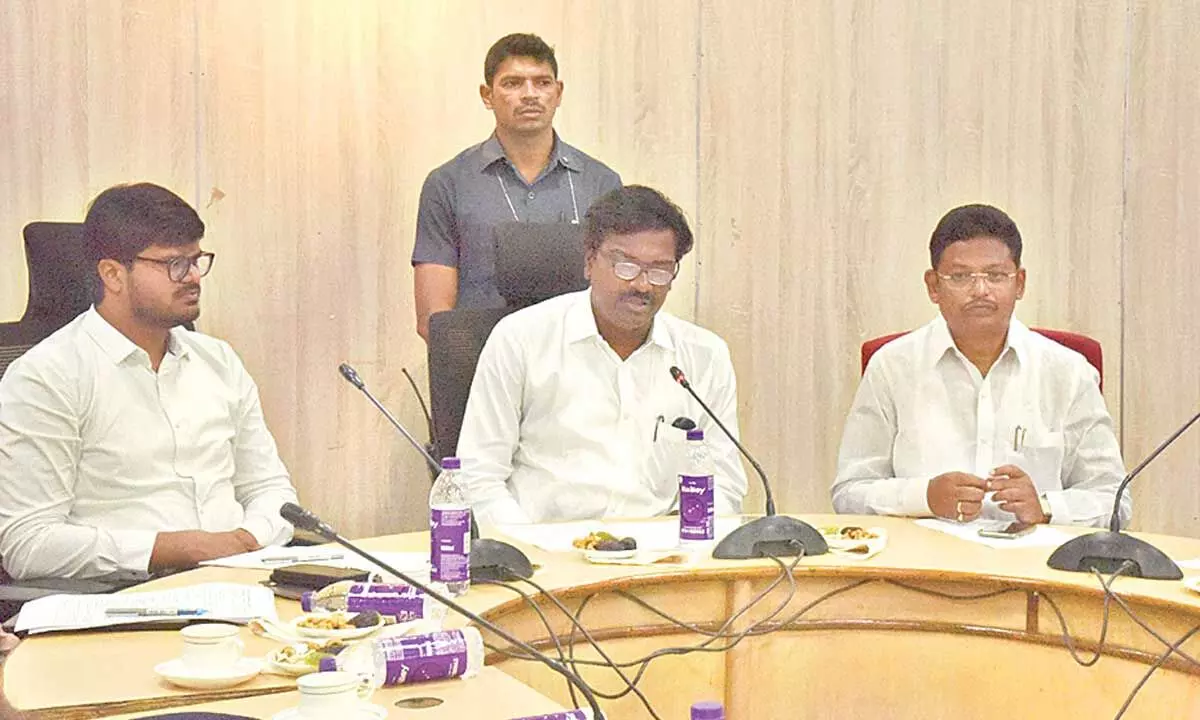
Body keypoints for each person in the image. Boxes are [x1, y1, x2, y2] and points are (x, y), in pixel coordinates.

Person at [0, 183, 299, 582]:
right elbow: (29, 544)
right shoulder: (48, 376)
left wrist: (247, 538)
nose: (193, 276)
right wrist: (179, 547)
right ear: (112, 274)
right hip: (122, 600)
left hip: (243, 580)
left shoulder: (219, 361)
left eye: (197, 260)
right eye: (174, 263)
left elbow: (270, 489)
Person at [457, 186, 748, 525]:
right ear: (590, 262)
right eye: (625, 265)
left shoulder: (704, 356)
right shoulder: (520, 339)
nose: (642, 285)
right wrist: (530, 552)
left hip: (662, 558)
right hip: (546, 557)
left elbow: (724, 487)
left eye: (659, 270)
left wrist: (684, 548)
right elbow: (478, 477)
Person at [831, 204, 1129, 529]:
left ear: (1020, 283)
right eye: (960, 276)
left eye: (996, 275)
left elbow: (1114, 499)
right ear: (933, 286)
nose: (980, 290)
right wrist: (924, 497)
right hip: (922, 565)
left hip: (1033, 570)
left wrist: (1045, 507)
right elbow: (849, 492)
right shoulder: (892, 367)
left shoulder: (1069, 373)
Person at [412, 32, 622, 340]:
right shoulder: (448, 184)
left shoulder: (601, 183)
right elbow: (434, 319)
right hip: (480, 365)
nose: (530, 94)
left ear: (559, 92)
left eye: (542, 82)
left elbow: (619, 295)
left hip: (581, 371)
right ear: (487, 95)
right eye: (512, 83)